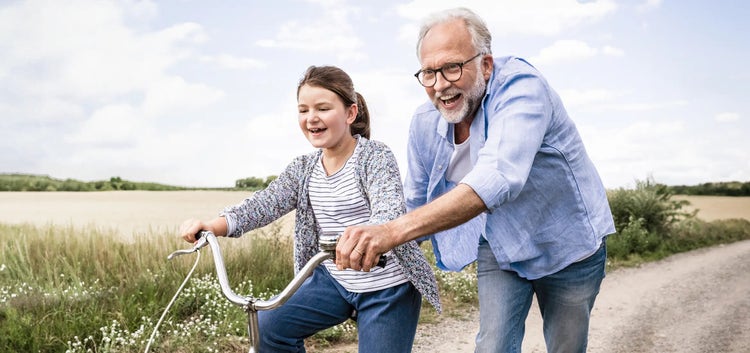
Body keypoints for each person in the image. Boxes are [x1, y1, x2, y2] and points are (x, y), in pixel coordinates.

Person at [336, 7, 615, 353]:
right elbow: (413, 200)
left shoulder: (522, 88)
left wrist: (392, 233)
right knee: (493, 345)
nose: (440, 85)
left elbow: (498, 176)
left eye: (451, 67)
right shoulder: (424, 122)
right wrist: (372, 241)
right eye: (428, 73)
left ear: (485, 64)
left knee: (566, 346)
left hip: (567, 243)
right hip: (502, 245)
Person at [178, 65, 440, 353]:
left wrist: (371, 237)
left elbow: (387, 207)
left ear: (350, 114)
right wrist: (214, 226)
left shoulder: (375, 157)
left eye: (323, 108)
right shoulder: (303, 169)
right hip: (334, 279)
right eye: (303, 110)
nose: (311, 118)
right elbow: (264, 203)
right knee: (268, 330)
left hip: (386, 286)